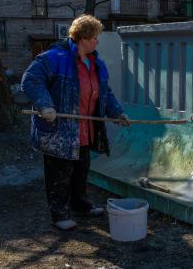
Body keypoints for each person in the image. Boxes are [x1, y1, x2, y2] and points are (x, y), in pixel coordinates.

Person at [21, 15, 130, 230]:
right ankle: (59, 213)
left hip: (84, 128)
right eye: (95, 37)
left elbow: (104, 92)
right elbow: (31, 80)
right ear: (83, 38)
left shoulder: (95, 63)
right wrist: (45, 105)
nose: (97, 41)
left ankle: (80, 205)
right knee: (59, 173)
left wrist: (117, 113)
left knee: (81, 168)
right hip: (59, 130)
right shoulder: (54, 57)